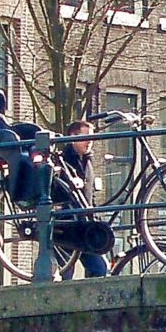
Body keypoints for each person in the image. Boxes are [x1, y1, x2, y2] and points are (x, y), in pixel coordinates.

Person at [58, 117, 111, 279]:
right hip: (67, 225)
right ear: (73, 137)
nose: (90, 142)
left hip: (84, 225)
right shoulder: (62, 159)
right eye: (85, 137)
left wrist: (95, 217)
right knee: (67, 271)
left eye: (91, 138)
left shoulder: (88, 160)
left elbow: (89, 195)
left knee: (100, 268)